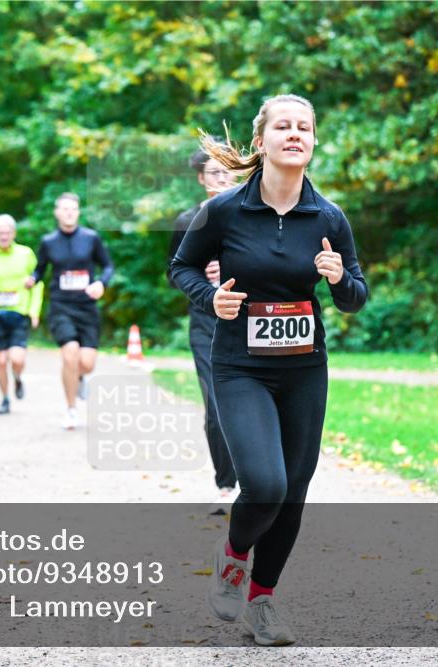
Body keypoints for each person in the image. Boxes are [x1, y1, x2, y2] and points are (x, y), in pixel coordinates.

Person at [170, 94, 367, 645]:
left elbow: (355, 296)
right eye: (283, 126)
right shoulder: (226, 209)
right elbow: (181, 267)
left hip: (305, 368)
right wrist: (211, 300)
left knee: (294, 491)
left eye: (305, 127)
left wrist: (337, 278)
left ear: (313, 142)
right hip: (240, 365)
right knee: (265, 483)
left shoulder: (328, 217)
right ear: (263, 141)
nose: (295, 134)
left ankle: (263, 601)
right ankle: (234, 554)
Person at [167, 144, 240, 512]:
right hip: (205, 325)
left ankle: (258, 480)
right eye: (215, 172)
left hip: (248, 322)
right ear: (201, 178)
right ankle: (226, 486)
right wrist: (200, 277)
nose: (222, 178)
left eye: (228, 170)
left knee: (250, 401)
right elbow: (173, 274)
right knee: (215, 402)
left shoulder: (250, 215)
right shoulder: (187, 221)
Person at [26, 193, 114, 430]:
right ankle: (71, 409)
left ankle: (80, 377)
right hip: (61, 306)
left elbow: (107, 265)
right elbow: (40, 270)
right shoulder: (48, 241)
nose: (68, 213)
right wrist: (31, 279)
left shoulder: (91, 238)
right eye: (64, 209)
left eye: (72, 209)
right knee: (69, 354)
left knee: (86, 364)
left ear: (78, 212)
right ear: (56, 212)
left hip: (86, 307)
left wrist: (101, 283)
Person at [0, 215, 44, 415]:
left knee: (17, 359)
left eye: (7, 232)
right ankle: (5, 398)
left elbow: (37, 283)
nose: (4, 236)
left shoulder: (26, 254)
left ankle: (18, 378)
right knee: (1, 360)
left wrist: (34, 310)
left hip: (19, 313)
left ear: (13, 233)